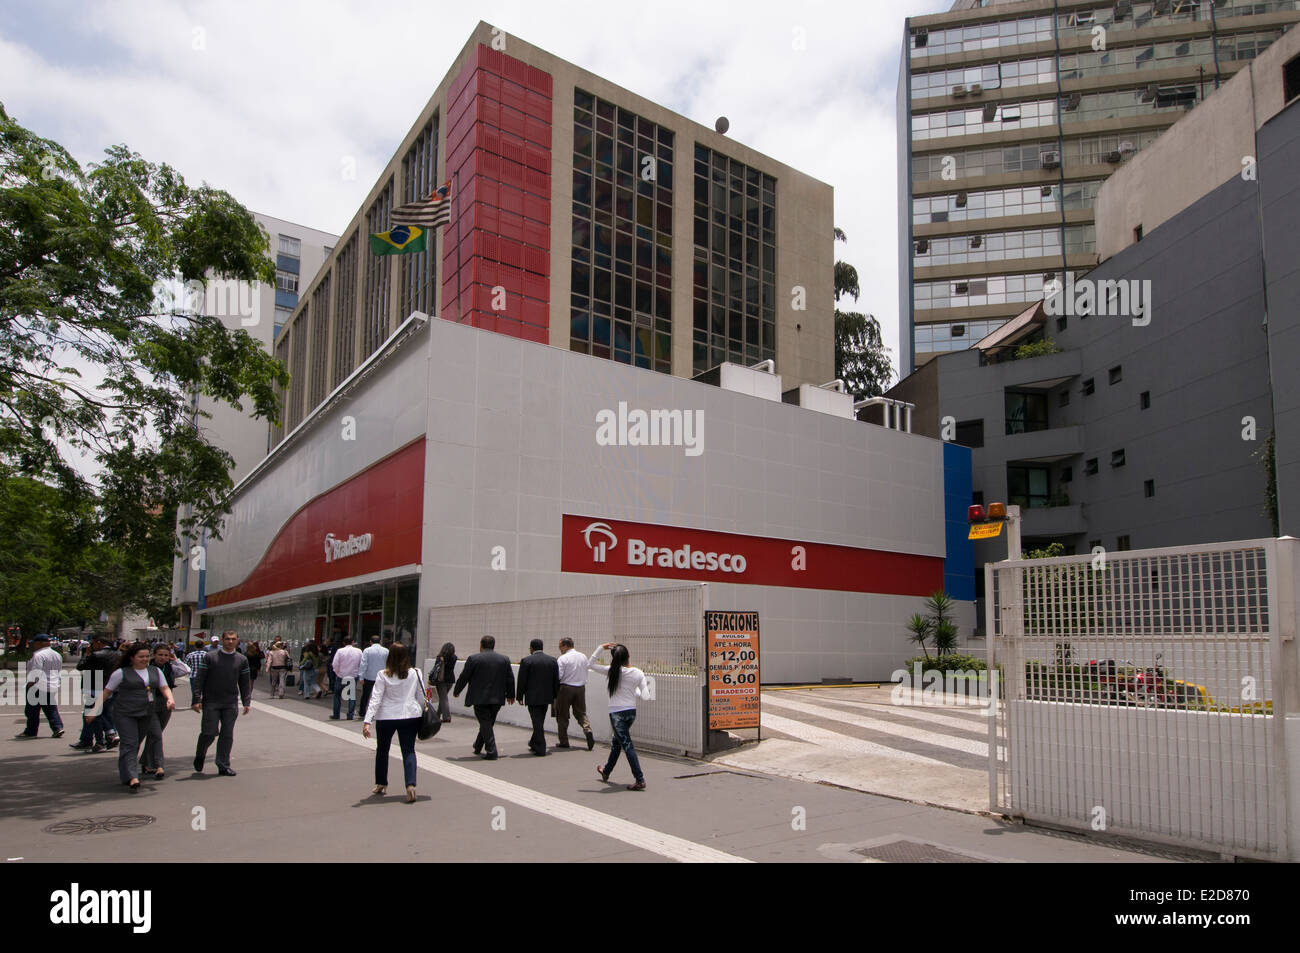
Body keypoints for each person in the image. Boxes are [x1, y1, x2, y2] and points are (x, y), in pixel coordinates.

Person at [90, 642, 175, 792]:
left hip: (146, 713)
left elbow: (164, 687)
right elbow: (106, 692)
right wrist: (93, 711)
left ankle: (126, 773)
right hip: (125, 713)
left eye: (147, 656)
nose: (144, 659)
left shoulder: (155, 671)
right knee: (130, 743)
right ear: (131, 658)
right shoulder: (121, 673)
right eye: (141, 657)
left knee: (136, 743)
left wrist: (170, 699)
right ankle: (132, 776)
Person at [362, 642, 427, 803]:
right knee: (409, 751)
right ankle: (410, 785)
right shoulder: (415, 673)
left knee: (382, 750)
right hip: (410, 715)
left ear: (389, 657)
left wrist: (367, 721)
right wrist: (421, 712)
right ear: (406, 656)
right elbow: (421, 696)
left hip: (387, 716)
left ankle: (381, 783)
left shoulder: (383, 675)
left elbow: (376, 698)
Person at [191, 630, 252, 776]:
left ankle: (223, 765)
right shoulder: (210, 657)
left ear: (237, 640)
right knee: (209, 732)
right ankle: (200, 754)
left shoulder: (241, 659)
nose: (230, 642)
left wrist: (246, 701)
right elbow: (200, 678)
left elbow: (244, 682)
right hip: (211, 701)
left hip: (230, 702)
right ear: (222, 641)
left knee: (227, 734)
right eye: (227, 639)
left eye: (233, 639)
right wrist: (196, 699)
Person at [589, 643, 647, 791]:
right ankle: (606, 771)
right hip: (631, 712)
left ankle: (639, 779)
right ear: (628, 656)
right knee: (617, 742)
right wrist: (632, 692)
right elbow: (645, 695)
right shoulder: (638, 673)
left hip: (616, 714)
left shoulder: (612, 671)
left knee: (626, 745)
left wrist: (601, 647)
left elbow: (590, 664)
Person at [452, 635, 514, 760]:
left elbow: (465, 676)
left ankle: (491, 750)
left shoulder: (474, 659)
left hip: (479, 697)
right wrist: (511, 695)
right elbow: (509, 678)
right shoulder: (504, 659)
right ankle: (478, 745)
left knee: (485, 722)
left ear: (481, 645)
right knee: (488, 722)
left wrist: (457, 690)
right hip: (497, 697)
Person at [140, 644, 189, 778]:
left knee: (155, 735)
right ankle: (159, 765)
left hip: (165, 704)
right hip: (149, 704)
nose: (163, 658)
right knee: (156, 734)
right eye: (160, 655)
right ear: (154, 655)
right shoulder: (146, 668)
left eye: (166, 655)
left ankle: (146, 762)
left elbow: (186, 670)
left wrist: (176, 659)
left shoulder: (171, 668)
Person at [71, 634, 120, 752]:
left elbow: (80, 666)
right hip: (109, 686)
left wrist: (86, 654)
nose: (91, 646)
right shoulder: (117, 654)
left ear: (98, 643)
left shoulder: (95, 655)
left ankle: (104, 738)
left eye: (92, 644)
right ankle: (88, 739)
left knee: (93, 715)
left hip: (93, 686)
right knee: (102, 713)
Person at [515, 639, 559, 756]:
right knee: (539, 720)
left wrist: (519, 696)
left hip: (532, 697)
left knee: (537, 722)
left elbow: (522, 680)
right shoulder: (552, 660)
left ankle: (540, 748)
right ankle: (533, 742)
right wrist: (555, 695)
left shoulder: (526, 661)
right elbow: (556, 680)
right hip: (546, 696)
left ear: (531, 648)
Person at [18, 633, 64, 739]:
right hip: (51, 685)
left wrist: (30, 684)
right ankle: (57, 727)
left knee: (32, 710)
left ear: (40, 643)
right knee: (50, 708)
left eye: (34, 643)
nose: (33, 645)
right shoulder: (57, 655)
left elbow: (36, 671)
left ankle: (31, 731)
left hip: (37, 686)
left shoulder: (38, 655)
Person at [555, 637, 595, 751]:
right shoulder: (583, 656)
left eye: (560, 647)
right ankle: (587, 729)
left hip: (566, 688)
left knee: (562, 714)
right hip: (580, 688)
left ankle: (564, 741)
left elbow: (559, 676)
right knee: (581, 713)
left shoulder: (563, 658)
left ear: (565, 646)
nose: (560, 649)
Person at [330, 636, 363, 720]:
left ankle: (336, 714)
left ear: (344, 643)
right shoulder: (358, 651)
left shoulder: (340, 651)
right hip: (353, 675)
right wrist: (359, 673)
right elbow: (361, 663)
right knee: (351, 695)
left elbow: (335, 663)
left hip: (341, 675)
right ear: (353, 642)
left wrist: (337, 672)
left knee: (337, 694)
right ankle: (350, 714)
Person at [357, 635, 388, 720]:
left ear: (370, 642)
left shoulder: (367, 650)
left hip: (369, 676)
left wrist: (361, 677)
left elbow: (363, 664)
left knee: (366, 695)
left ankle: (362, 712)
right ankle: (380, 712)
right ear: (380, 641)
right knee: (381, 695)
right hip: (382, 677)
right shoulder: (386, 651)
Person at [433, 642, 457, 723]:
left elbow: (436, 669)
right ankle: (437, 715)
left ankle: (446, 716)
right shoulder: (454, 658)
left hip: (441, 680)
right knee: (443, 698)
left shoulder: (440, 657)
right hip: (450, 680)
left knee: (443, 698)